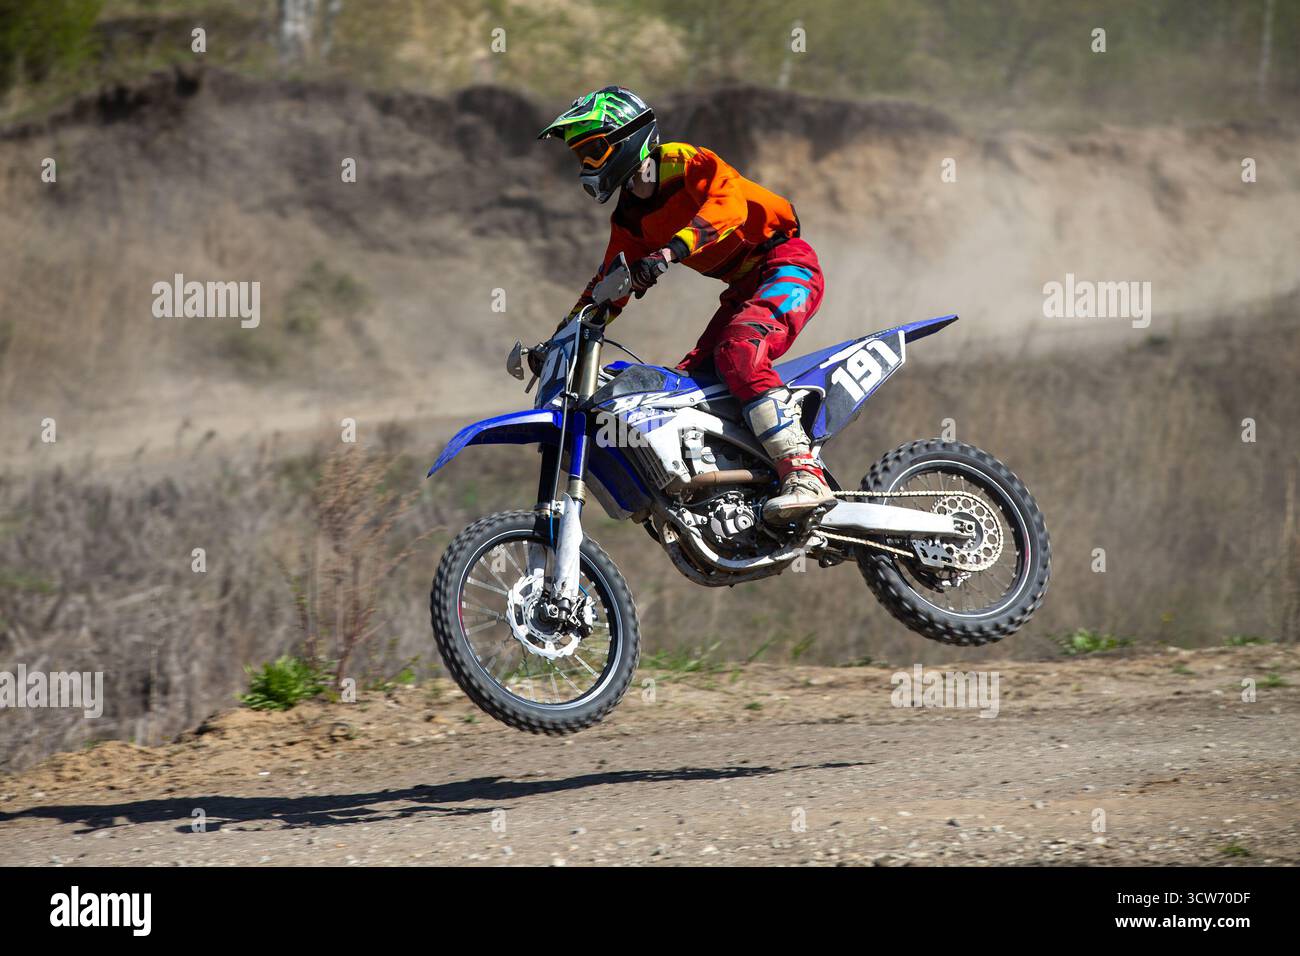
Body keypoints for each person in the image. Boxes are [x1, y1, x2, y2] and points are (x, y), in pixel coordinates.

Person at [539, 86, 833, 521]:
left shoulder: (686, 161)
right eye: (580, 156)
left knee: (740, 351)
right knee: (689, 386)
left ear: (628, 137)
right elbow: (607, 283)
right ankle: (743, 482)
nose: (586, 164)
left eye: (593, 150)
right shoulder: (629, 219)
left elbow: (727, 206)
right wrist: (561, 338)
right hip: (741, 289)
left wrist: (670, 252)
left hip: (784, 263)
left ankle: (805, 472)